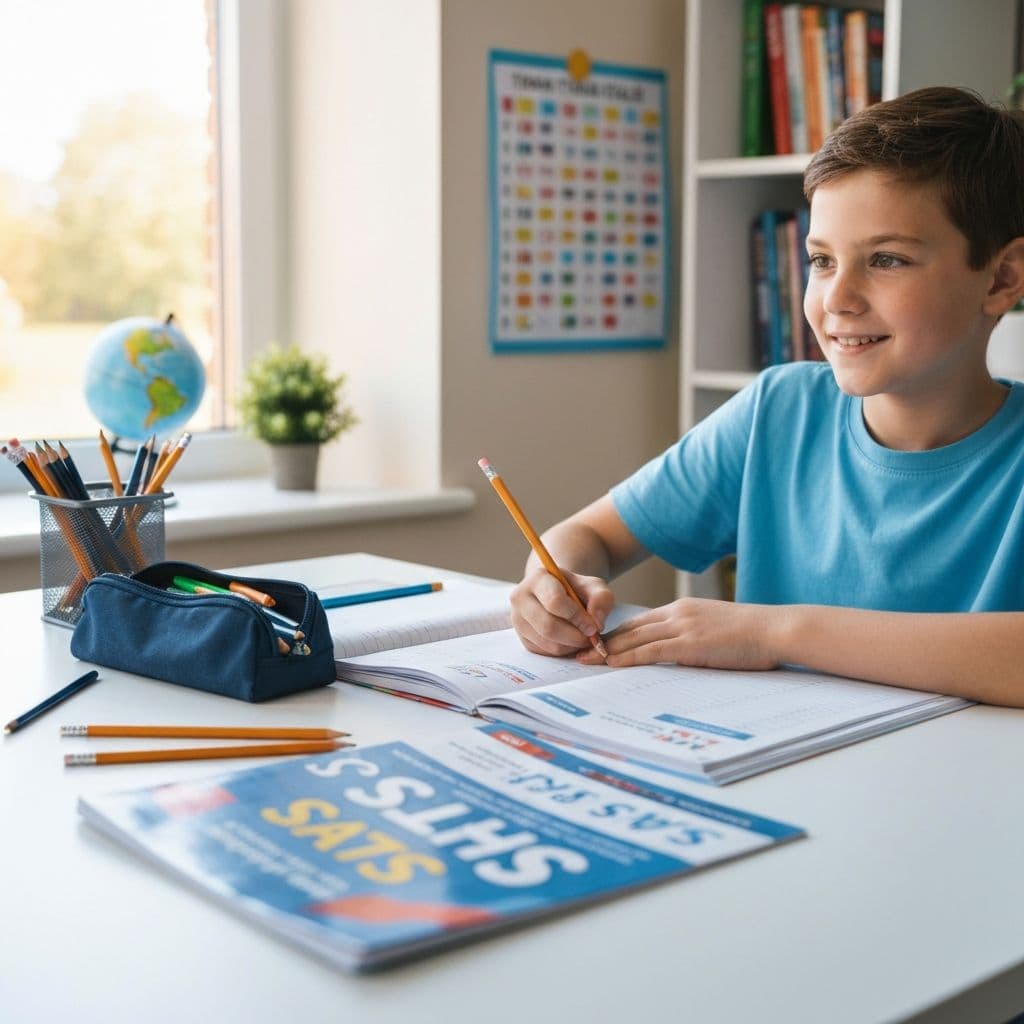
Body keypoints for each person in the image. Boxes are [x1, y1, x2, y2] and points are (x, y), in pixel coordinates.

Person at [510, 86, 1024, 707]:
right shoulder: (778, 412)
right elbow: (589, 535)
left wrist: (777, 632)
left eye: (887, 260)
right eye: (822, 260)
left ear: (1001, 279)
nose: (837, 299)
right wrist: (553, 580)